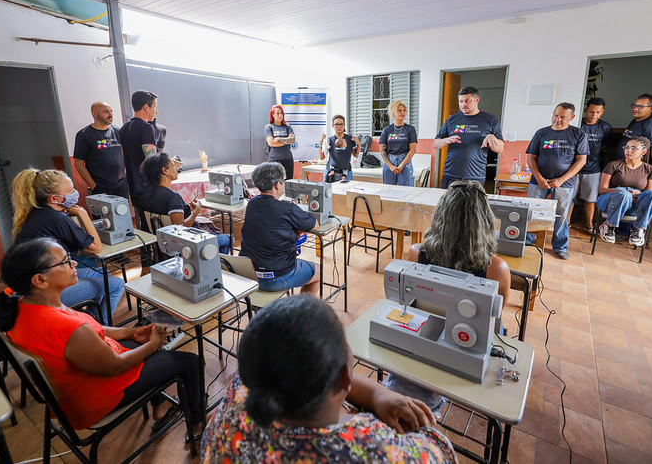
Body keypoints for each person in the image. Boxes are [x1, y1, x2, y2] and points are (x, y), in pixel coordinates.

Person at [200, 295, 457, 463]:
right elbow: (440, 451)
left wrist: (379, 394)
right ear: (344, 377)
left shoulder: (244, 391)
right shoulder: (375, 451)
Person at [0, 238, 204, 435]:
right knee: (189, 362)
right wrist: (154, 345)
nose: (74, 263)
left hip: (75, 387)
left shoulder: (25, 307)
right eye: (65, 262)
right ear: (40, 280)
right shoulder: (66, 327)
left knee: (138, 335)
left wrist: (131, 333)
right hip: (94, 399)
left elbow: (92, 328)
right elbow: (115, 366)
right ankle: (198, 424)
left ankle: (159, 406)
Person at [11, 168, 124, 324]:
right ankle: (101, 326)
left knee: (101, 273)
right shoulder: (57, 219)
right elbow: (95, 247)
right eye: (70, 190)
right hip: (42, 293)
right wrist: (82, 213)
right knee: (117, 284)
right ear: (55, 198)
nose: (75, 193)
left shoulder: (41, 213)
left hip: (31, 284)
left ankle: (91, 320)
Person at [410, 180, 511, 308]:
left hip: (426, 322)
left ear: (440, 216)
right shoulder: (497, 269)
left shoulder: (416, 253)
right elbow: (497, 311)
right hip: (467, 327)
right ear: (485, 220)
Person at [239, 162, 319, 294]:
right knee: (318, 271)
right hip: (277, 277)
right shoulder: (287, 208)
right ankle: (304, 311)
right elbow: (314, 224)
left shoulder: (252, 204)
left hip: (250, 273)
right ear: (277, 184)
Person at [525, 103, 589, 260]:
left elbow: (581, 161)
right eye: (555, 115)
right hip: (538, 181)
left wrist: (561, 180)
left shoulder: (578, 134)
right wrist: (539, 178)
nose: (557, 119)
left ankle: (560, 246)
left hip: (564, 183)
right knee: (531, 211)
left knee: (561, 214)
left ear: (571, 118)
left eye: (562, 117)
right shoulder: (542, 133)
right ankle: (528, 240)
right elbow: (531, 157)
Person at [138, 153, 233, 254]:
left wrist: (184, 207)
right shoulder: (172, 197)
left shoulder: (144, 194)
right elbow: (180, 230)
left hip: (162, 243)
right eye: (173, 166)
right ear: (165, 170)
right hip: (185, 243)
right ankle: (216, 266)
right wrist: (195, 212)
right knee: (229, 239)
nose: (177, 169)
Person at [433, 86, 504, 189]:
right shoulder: (452, 119)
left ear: (477, 100)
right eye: (461, 101)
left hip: (475, 177)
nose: (463, 105)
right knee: (448, 205)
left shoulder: (490, 120)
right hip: (450, 175)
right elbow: (436, 144)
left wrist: (493, 138)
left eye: (467, 101)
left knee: (471, 205)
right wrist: (446, 140)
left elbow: (500, 149)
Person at [597, 137, 652, 247]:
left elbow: (649, 195)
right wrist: (623, 191)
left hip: (634, 204)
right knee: (625, 195)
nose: (628, 150)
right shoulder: (614, 165)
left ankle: (638, 229)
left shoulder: (651, 170)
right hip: (610, 201)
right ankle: (609, 225)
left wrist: (638, 194)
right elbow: (602, 189)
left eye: (633, 148)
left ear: (643, 152)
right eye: (626, 147)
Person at [573, 98, 613, 233]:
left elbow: (605, 146)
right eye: (591, 112)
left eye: (597, 112)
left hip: (593, 168)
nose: (594, 115)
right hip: (573, 168)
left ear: (602, 112)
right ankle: (565, 224)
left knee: (590, 199)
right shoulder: (577, 125)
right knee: (570, 197)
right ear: (585, 110)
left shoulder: (605, 127)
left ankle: (589, 224)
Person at [73, 101, 128, 198]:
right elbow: (78, 163)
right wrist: (93, 185)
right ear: (94, 114)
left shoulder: (117, 130)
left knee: (123, 212)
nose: (110, 114)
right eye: (106, 111)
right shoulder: (84, 135)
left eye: (111, 111)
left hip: (121, 185)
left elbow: (123, 153)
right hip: (101, 187)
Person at [119, 90, 159, 204]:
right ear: (146, 107)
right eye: (154, 107)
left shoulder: (124, 127)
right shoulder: (146, 128)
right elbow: (152, 161)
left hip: (133, 185)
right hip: (147, 187)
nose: (156, 112)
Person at [614, 94, 652, 162]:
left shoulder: (651, 125)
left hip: (633, 167)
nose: (635, 109)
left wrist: (643, 164)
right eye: (635, 105)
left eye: (640, 106)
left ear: (651, 108)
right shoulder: (635, 121)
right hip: (623, 163)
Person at [379, 100, 417, 186]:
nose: (402, 112)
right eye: (399, 111)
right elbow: (382, 150)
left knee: (406, 190)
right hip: (390, 161)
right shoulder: (387, 130)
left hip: (404, 161)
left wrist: (401, 165)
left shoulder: (410, 129)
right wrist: (390, 166)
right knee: (388, 190)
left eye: (404, 110)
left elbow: (413, 150)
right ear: (393, 114)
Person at [319, 114, 361, 182]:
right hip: (331, 173)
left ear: (344, 125)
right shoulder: (329, 140)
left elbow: (355, 155)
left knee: (347, 191)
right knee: (329, 192)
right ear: (333, 126)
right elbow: (322, 157)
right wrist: (321, 142)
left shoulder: (350, 139)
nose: (339, 126)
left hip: (346, 172)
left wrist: (358, 144)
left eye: (341, 124)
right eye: (336, 124)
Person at [264, 104, 296, 180]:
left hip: (288, 159)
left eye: (281, 113)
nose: (280, 115)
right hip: (274, 160)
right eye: (277, 113)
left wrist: (278, 139)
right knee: (275, 183)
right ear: (273, 115)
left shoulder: (287, 127)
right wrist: (286, 140)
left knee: (288, 182)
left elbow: (292, 140)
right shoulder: (269, 127)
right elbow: (271, 143)